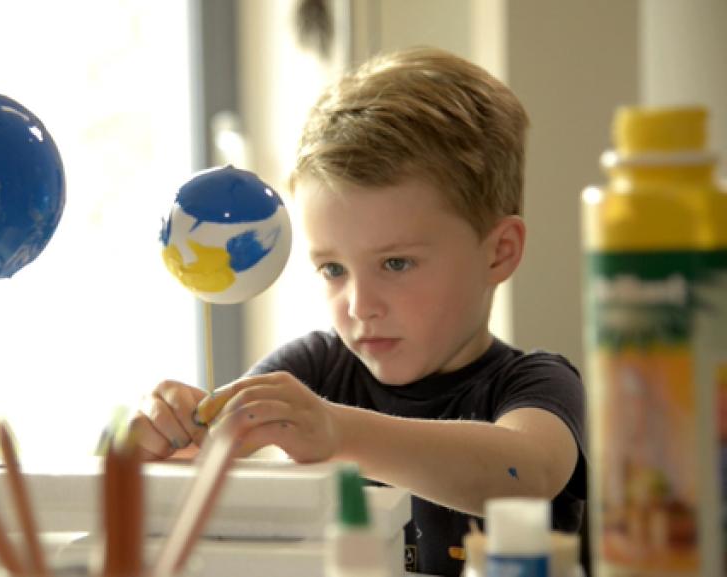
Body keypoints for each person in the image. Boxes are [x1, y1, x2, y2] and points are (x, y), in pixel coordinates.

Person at [132, 47, 587, 577]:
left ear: (499, 251)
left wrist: (337, 432)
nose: (359, 305)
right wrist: (170, 444)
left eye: (395, 263)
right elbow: (212, 469)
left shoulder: (535, 384)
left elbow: (524, 471)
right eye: (332, 269)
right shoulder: (313, 369)